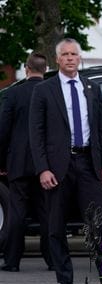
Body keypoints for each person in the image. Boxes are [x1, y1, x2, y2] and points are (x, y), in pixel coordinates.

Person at [29, 38, 102, 284]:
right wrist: (43, 168)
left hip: (88, 163)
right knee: (56, 226)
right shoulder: (44, 90)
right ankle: (65, 281)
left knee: (98, 223)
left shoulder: (91, 88)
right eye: (64, 54)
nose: (69, 58)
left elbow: (100, 129)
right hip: (57, 168)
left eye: (73, 54)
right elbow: (36, 133)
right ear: (57, 59)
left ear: (80, 58)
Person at [0, 53, 52, 272]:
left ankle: (12, 260)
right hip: (46, 164)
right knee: (47, 212)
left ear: (26, 68)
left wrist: (2, 161)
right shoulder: (52, 94)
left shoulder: (12, 94)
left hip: (18, 162)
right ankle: (53, 259)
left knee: (17, 212)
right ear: (46, 69)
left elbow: (3, 131)